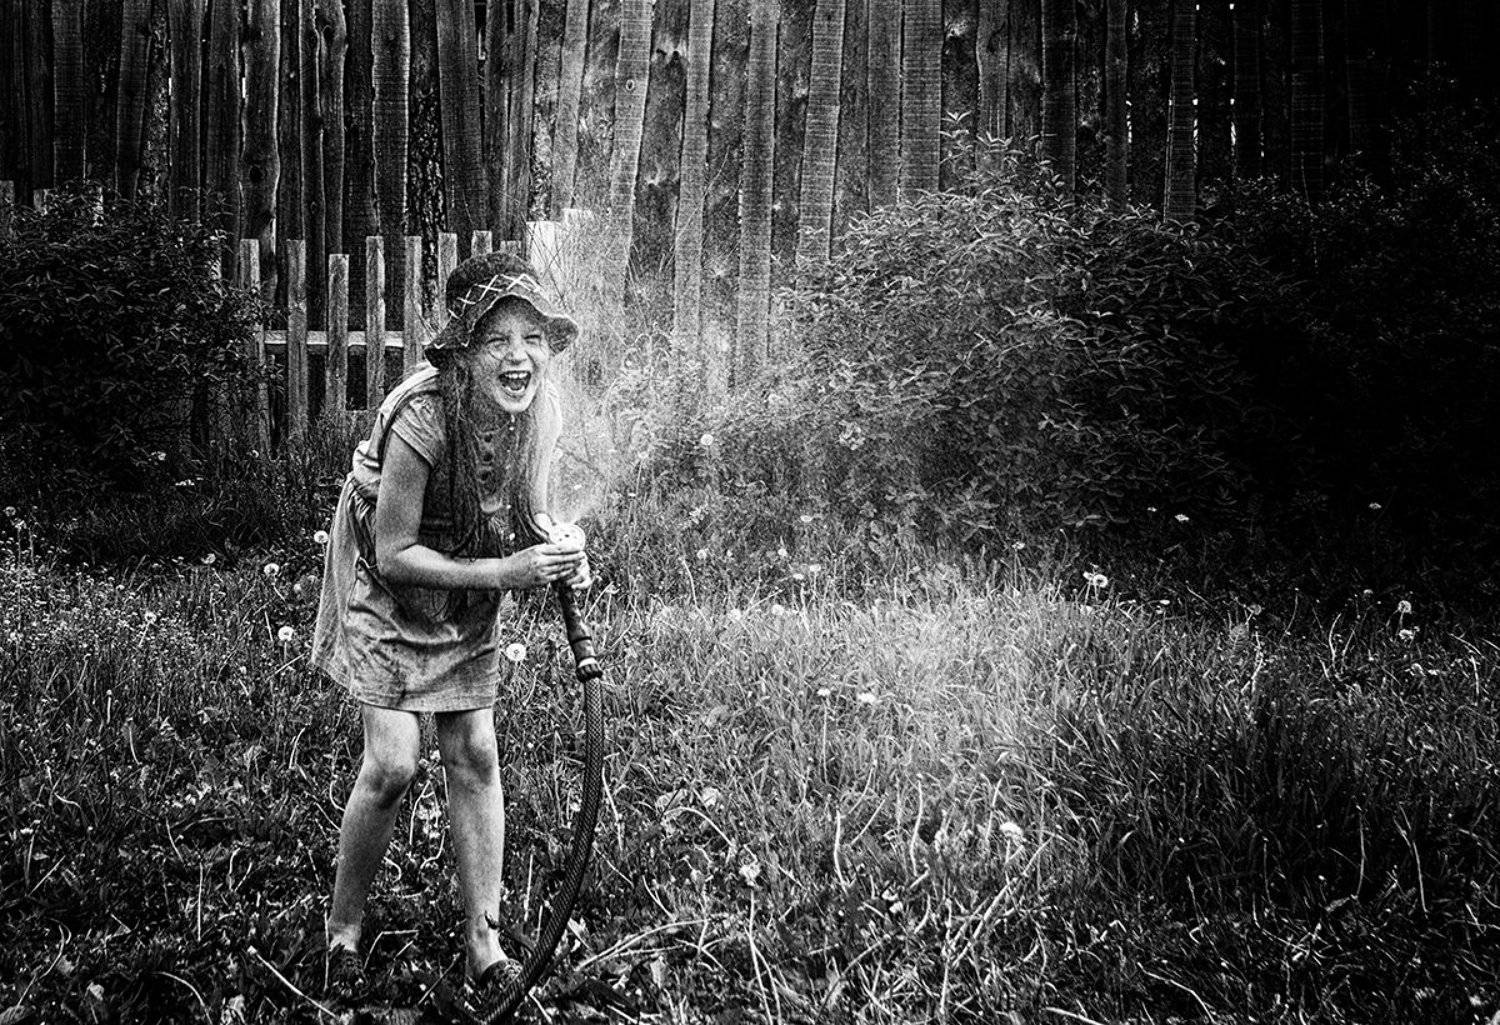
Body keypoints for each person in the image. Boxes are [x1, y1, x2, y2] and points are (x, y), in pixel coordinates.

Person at [309, 251, 591, 1009]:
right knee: (394, 762)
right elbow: (396, 552)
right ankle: (342, 932)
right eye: (497, 339)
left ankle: (483, 944)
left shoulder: (540, 413)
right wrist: (506, 572)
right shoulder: (423, 416)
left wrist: (560, 548)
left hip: (465, 571)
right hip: (387, 578)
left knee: (475, 752)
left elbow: (529, 511)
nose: (519, 357)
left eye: (532, 337)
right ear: (463, 351)